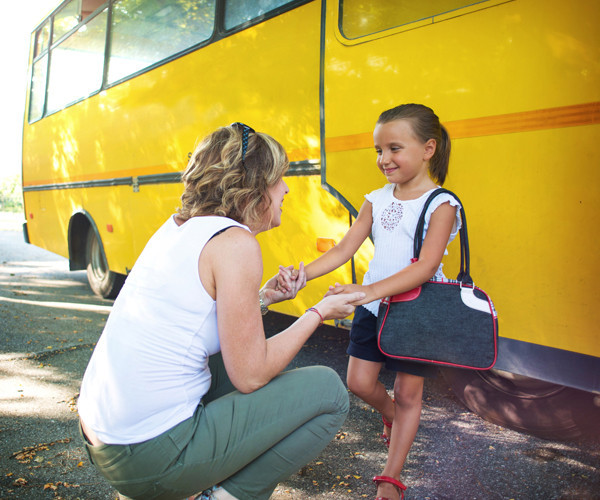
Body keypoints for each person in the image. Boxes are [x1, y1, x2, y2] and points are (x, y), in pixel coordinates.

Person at [77, 122, 365, 500]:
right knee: (328, 391)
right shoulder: (236, 243)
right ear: (254, 186)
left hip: (104, 439)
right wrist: (319, 311)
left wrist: (261, 299)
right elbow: (251, 375)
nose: (287, 188)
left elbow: (191, 322)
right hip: (148, 458)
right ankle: (219, 497)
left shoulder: (178, 228)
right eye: (279, 178)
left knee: (232, 366)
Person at [278, 104, 461, 500]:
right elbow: (345, 248)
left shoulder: (443, 203)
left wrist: (367, 292)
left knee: (411, 394)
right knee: (359, 382)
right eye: (378, 150)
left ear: (429, 148)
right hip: (373, 307)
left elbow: (427, 266)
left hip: (418, 312)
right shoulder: (376, 199)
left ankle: (390, 478)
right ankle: (394, 416)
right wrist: (302, 274)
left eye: (394, 148)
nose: (383, 159)